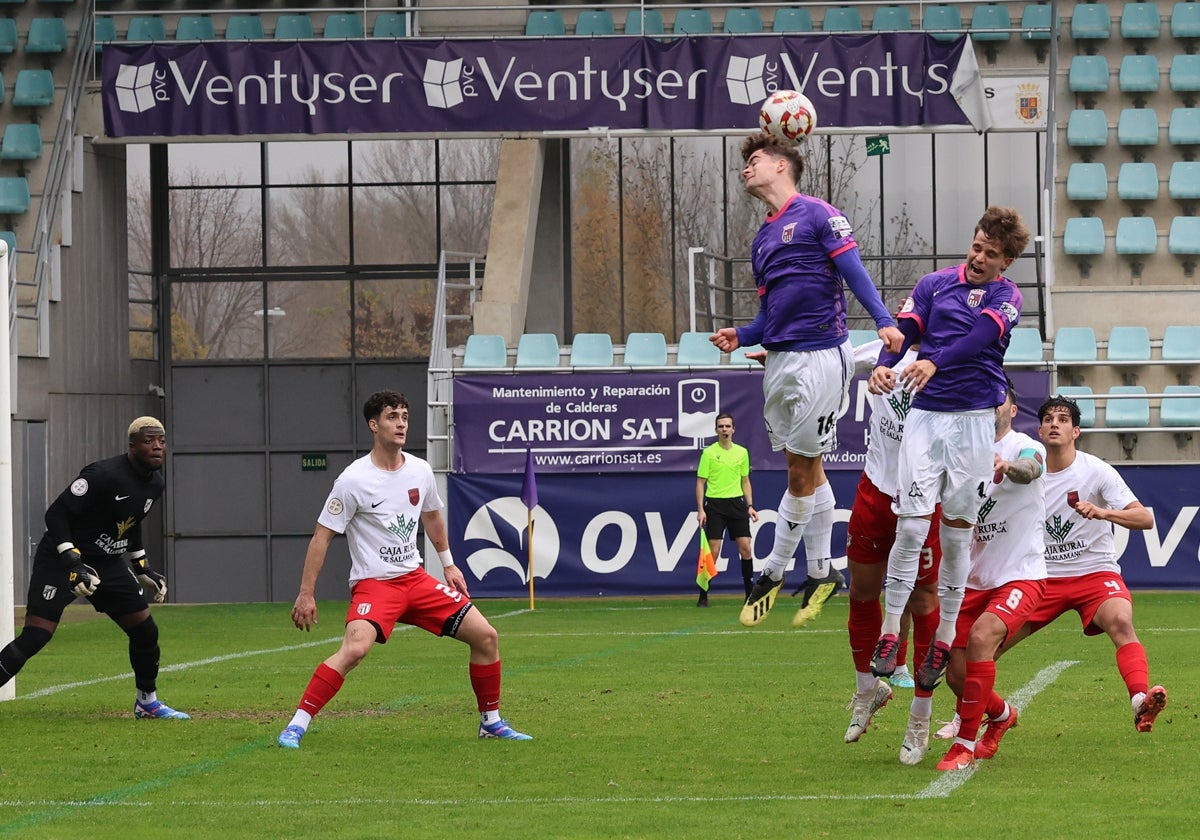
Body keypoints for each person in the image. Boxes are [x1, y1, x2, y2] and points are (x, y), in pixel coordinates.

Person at [710, 132, 903, 629]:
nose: (746, 169)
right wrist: (744, 333)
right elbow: (772, 312)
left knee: (800, 471)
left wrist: (882, 318)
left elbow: (853, 270)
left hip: (821, 356)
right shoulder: (761, 238)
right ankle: (821, 570)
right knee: (805, 467)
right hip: (780, 359)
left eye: (754, 160)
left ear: (781, 165)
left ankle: (772, 570)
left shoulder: (818, 213)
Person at [277, 390, 531, 748]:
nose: (400, 424)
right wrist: (306, 594)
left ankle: (490, 722)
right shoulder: (353, 480)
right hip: (375, 585)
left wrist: (448, 564)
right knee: (355, 650)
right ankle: (296, 725)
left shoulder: (420, 470)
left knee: (486, 636)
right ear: (373, 425)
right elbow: (321, 537)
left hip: (416, 581)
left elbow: (431, 516)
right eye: (392, 417)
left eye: (405, 417)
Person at [868, 206, 1029, 692]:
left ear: (1006, 262)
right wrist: (884, 362)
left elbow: (981, 338)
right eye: (977, 246)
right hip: (925, 418)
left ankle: (942, 638)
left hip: (976, 424)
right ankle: (890, 632)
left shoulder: (1007, 296)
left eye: (991, 253)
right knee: (912, 525)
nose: (979, 256)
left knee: (958, 535)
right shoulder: (934, 283)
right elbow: (907, 331)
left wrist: (935, 361)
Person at [990, 394, 1164, 734]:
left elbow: (1144, 518)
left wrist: (1102, 512)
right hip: (1041, 577)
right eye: (1049, 419)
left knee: (1120, 621)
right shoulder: (1025, 471)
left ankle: (1141, 701)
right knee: (987, 645)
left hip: (1094, 574)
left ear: (1076, 431)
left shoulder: (1095, 471)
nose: (1055, 423)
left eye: (1064, 419)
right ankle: (979, 715)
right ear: (1039, 430)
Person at [0, 417, 188, 719]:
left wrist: (142, 566)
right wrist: (73, 561)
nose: (157, 446)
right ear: (132, 446)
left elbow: (131, 523)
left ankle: (147, 702)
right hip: (63, 559)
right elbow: (56, 515)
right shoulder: (102, 474)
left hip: (107, 563)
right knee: (36, 637)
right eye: (149, 440)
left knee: (145, 630)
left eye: (162, 441)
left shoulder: (156, 483)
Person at [929, 379, 1047, 771]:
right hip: (973, 579)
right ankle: (1001, 715)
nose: (993, 405)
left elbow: (1031, 468)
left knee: (982, 639)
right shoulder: (961, 452)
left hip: (1021, 574)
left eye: (1001, 400)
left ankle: (963, 745)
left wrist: (1008, 466)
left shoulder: (1024, 446)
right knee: (956, 676)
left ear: (1013, 409)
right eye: (987, 400)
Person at [843, 339, 941, 753]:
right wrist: (780, 353)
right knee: (862, 592)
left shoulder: (953, 355)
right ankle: (868, 690)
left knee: (923, 602)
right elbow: (833, 357)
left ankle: (921, 716)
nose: (907, 315)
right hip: (874, 490)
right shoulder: (886, 347)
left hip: (923, 497)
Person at [695, 412, 759, 606]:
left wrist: (749, 505)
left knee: (746, 548)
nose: (724, 429)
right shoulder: (708, 453)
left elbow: (745, 481)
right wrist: (701, 509)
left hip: (736, 504)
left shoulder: (742, 452)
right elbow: (700, 483)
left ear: (733, 429)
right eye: (721, 426)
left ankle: (749, 594)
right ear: (716, 430)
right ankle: (703, 594)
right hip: (715, 505)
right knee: (713, 551)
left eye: (727, 426)